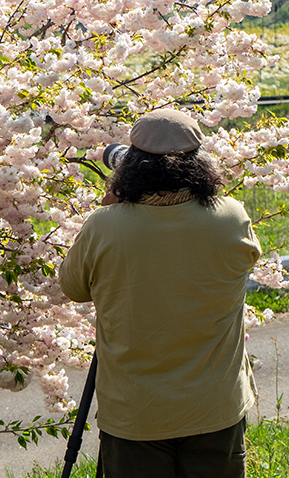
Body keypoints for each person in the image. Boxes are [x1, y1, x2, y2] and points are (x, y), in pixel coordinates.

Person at [59, 108, 261, 478]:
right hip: (214, 407)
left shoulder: (103, 227)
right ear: (200, 163)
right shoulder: (231, 218)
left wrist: (114, 203)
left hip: (136, 413)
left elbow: (72, 288)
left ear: (131, 165)